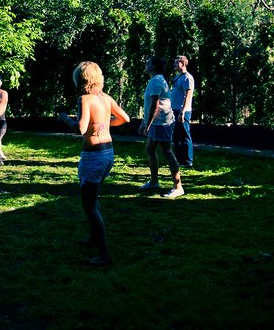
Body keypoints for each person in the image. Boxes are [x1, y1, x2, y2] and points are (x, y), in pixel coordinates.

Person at [59, 61, 130, 267]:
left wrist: (65, 118)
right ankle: (93, 238)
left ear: (81, 79)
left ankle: (104, 254)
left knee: (89, 206)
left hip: (93, 157)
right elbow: (124, 118)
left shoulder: (85, 99)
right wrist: (106, 125)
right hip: (108, 153)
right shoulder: (106, 98)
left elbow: (80, 129)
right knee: (94, 199)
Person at [138, 56, 183, 198]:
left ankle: (178, 187)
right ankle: (154, 181)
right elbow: (149, 107)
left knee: (167, 152)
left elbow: (155, 105)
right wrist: (145, 123)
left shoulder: (157, 81)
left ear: (154, 67)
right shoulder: (154, 80)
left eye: (148, 63)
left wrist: (147, 125)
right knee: (150, 149)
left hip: (162, 122)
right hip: (156, 122)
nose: (146, 64)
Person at [170, 55, 195, 168]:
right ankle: (179, 159)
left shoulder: (187, 78)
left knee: (185, 135)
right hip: (174, 110)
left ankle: (188, 161)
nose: (174, 65)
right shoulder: (178, 77)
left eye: (176, 63)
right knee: (175, 135)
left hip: (182, 111)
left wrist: (183, 111)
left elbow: (188, 96)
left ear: (183, 64)